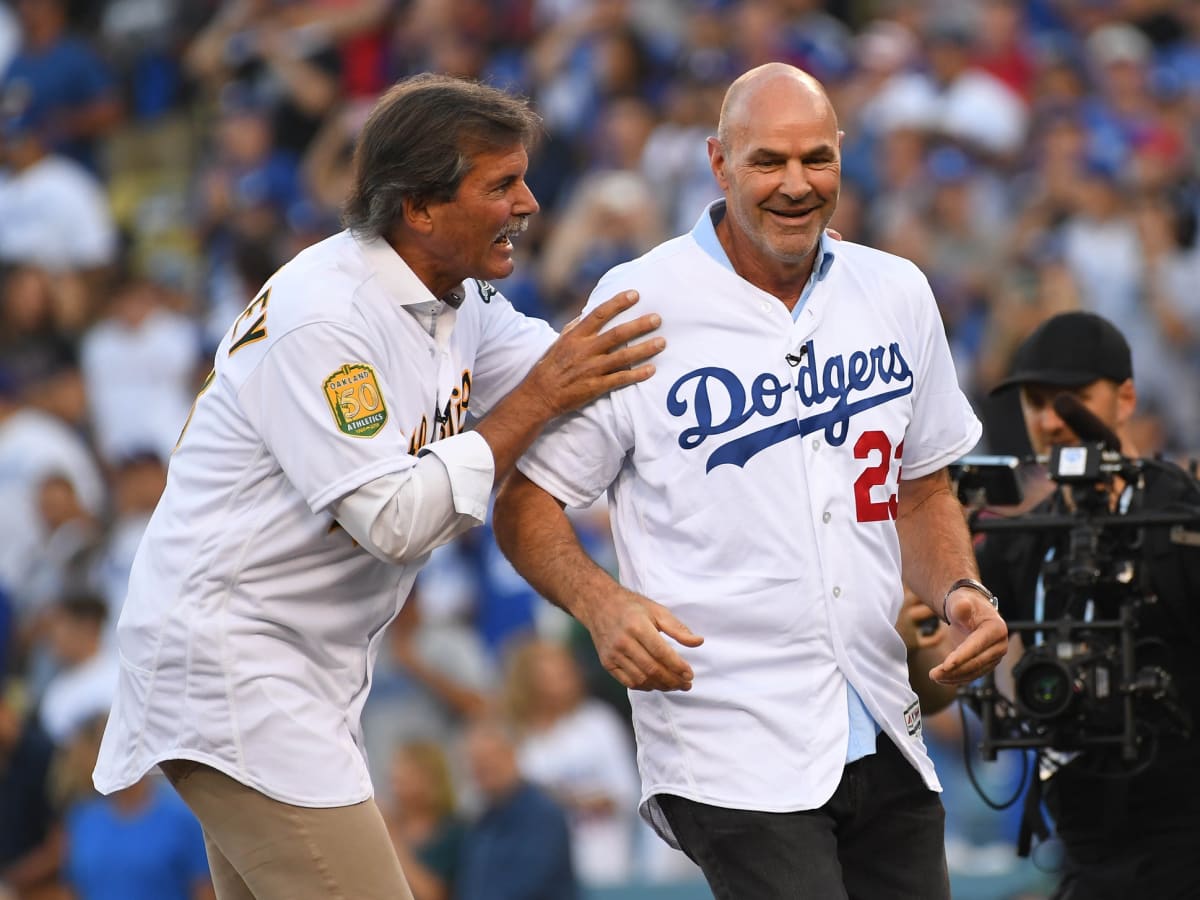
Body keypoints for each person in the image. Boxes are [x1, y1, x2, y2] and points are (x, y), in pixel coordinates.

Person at [91, 73, 664, 900]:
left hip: (294, 667)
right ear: (419, 209)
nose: (530, 202)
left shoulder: (452, 298)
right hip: (233, 662)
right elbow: (394, 521)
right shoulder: (328, 315)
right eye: (500, 184)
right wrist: (541, 396)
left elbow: (573, 376)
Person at [493, 62, 1008, 899]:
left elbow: (919, 488)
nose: (797, 185)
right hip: (727, 732)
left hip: (882, 714)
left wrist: (958, 592)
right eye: (769, 161)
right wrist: (601, 603)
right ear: (718, 163)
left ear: (844, 156)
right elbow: (526, 499)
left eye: (817, 160)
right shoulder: (640, 301)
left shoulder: (896, 291)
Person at [978, 310, 1200, 899]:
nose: (1051, 421)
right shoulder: (1019, 544)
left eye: (1073, 399)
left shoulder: (1180, 521)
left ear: (1125, 398)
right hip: (1081, 847)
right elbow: (961, 689)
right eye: (1034, 402)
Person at [455, 718, 578, 900]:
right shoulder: (481, 821)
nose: (483, 768)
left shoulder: (543, 815)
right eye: (476, 762)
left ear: (512, 755)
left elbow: (529, 887)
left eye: (490, 758)